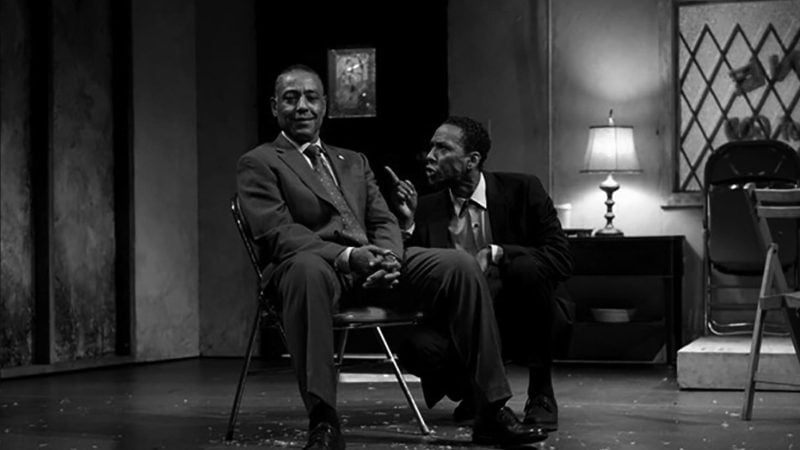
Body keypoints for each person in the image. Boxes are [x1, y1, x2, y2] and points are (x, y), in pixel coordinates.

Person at [236, 65, 547, 449]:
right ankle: (324, 419)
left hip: (375, 267)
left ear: (325, 106)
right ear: (274, 107)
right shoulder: (259, 162)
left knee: (461, 266)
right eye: (291, 98)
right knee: (304, 269)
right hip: (318, 270)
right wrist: (351, 256)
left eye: (311, 97)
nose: (302, 106)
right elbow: (279, 235)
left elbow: (382, 219)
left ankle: (490, 409)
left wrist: (388, 258)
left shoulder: (353, 160)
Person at [386, 115, 573, 431]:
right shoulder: (426, 207)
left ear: (472, 160)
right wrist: (407, 225)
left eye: (442, 149)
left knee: (526, 267)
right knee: (416, 346)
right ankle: (479, 393)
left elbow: (561, 258)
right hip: (462, 321)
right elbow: (413, 280)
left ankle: (540, 393)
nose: (430, 157)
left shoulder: (523, 189)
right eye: (430, 147)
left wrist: (498, 253)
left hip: (521, 310)